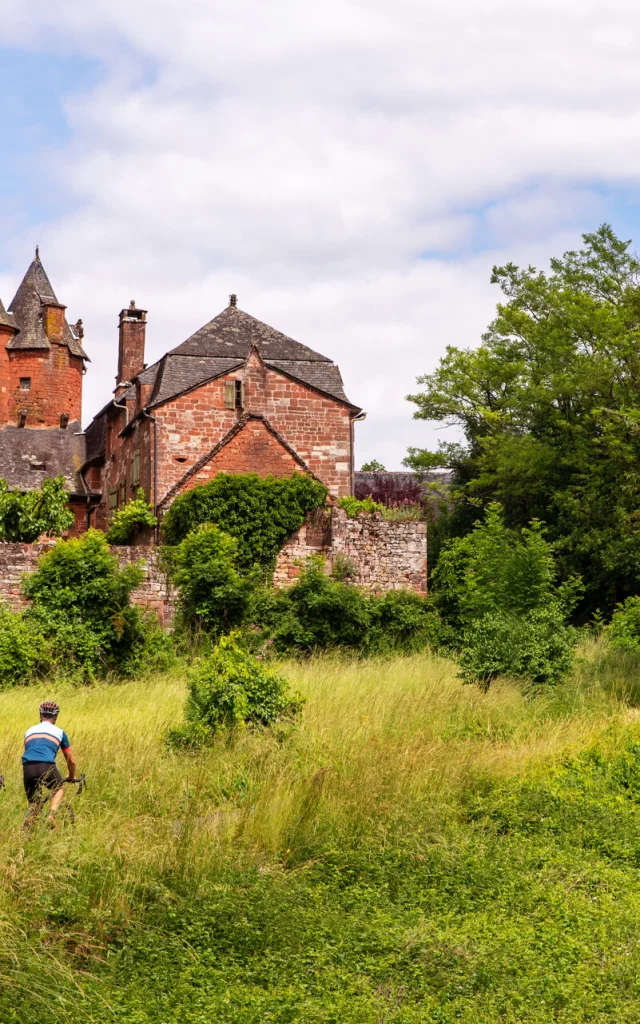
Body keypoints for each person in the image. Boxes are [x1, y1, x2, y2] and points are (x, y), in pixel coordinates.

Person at [22, 701, 76, 828]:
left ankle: (25, 836)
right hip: (46, 765)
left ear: (40, 715)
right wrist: (72, 776)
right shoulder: (60, 732)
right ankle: (51, 815)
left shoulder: (29, 731)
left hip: (28, 767)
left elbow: (31, 752)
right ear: (55, 717)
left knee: (34, 805)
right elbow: (71, 760)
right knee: (59, 788)